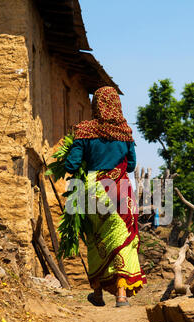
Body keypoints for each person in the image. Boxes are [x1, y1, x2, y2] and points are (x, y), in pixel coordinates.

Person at [65, 86, 147, 308]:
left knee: (96, 240)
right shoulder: (125, 132)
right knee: (123, 241)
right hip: (121, 190)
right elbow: (130, 166)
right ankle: (121, 295)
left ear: (95, 105)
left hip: (94, 190)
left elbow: (71, 165)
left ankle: (98, 293)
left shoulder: (84, 131)